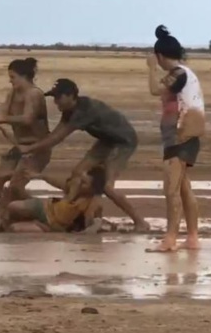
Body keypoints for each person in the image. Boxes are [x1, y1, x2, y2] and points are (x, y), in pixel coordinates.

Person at [17, 78, 150, 232]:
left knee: (105, 185)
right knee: (77, 174)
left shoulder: (83, 111)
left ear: (71, 95)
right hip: (106, 140)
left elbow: (58, 137)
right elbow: (55, 134)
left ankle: (140, 222)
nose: (56, 102)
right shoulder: (69, 111)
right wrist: (33, 147)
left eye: (58, 97)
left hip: (124, 141)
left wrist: (30, 148)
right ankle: (81, 215)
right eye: (54, 98)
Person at [145, 25, 205, 252]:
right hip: (182, 136)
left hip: (181, 137)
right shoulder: (184, 74)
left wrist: (150, 69)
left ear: (159, 56)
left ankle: (170, 239)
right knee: (183, 188)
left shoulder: (179, 74)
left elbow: (154, 89)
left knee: (171, 189)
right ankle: (191, 237)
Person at [0, 58, 51, 226]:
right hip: (19, 147)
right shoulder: (12, 93)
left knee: (15, 187)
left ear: (24, 76)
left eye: (13, 77)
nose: (10, 80)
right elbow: (2, 115)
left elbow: (27, 119)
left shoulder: (34, 93)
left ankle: (50, 212)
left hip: (37, 148)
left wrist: (1, 119)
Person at [4, 166, 105, 234]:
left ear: (93, 189)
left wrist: (86, 231)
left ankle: (28, 221)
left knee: (14, 229)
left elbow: (90, 224)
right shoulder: (75, 187)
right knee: (12, 206)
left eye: (84, 183)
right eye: (81, 180)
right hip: (44, 207)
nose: (80, 183)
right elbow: (57, 182)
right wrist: (40, 176)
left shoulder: (90, 202)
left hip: (50, 226)